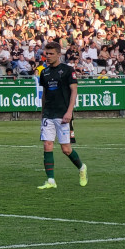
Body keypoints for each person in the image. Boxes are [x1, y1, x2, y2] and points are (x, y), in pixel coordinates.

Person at [37, 41, 88, 189]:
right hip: (48, 114)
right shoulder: (44, 72)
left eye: (51, 54)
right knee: (47, 145)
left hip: (63, 114)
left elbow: (74, 91)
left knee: (66, 149)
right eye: (46, 54)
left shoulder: (67, 70)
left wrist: (69, 111)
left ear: (59, 54)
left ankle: (81, 167)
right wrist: (42, 112)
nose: (48, 56)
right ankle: (51, 181)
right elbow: (45, 94)